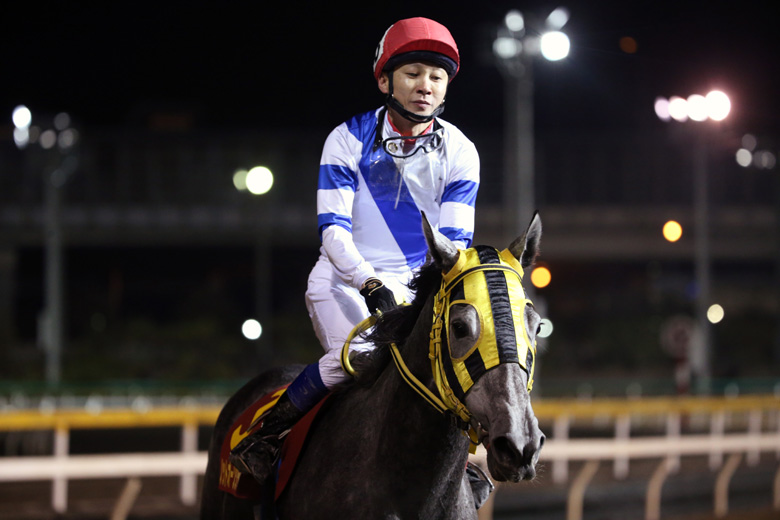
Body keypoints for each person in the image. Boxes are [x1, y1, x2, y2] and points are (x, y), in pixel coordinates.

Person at [230, 16, 480, 485]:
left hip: (414, 290)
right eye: (412, 73)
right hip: (343, 281)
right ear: (385, 81)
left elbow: (453, 244)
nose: (425, 86)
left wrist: (422, 296)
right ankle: (265, 435)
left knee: (456, 363)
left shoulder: (462, 152)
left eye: (436, 77)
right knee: (360, 359)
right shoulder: (346, 139)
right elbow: (333, 232)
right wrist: (370, 283)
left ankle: (460, 464)